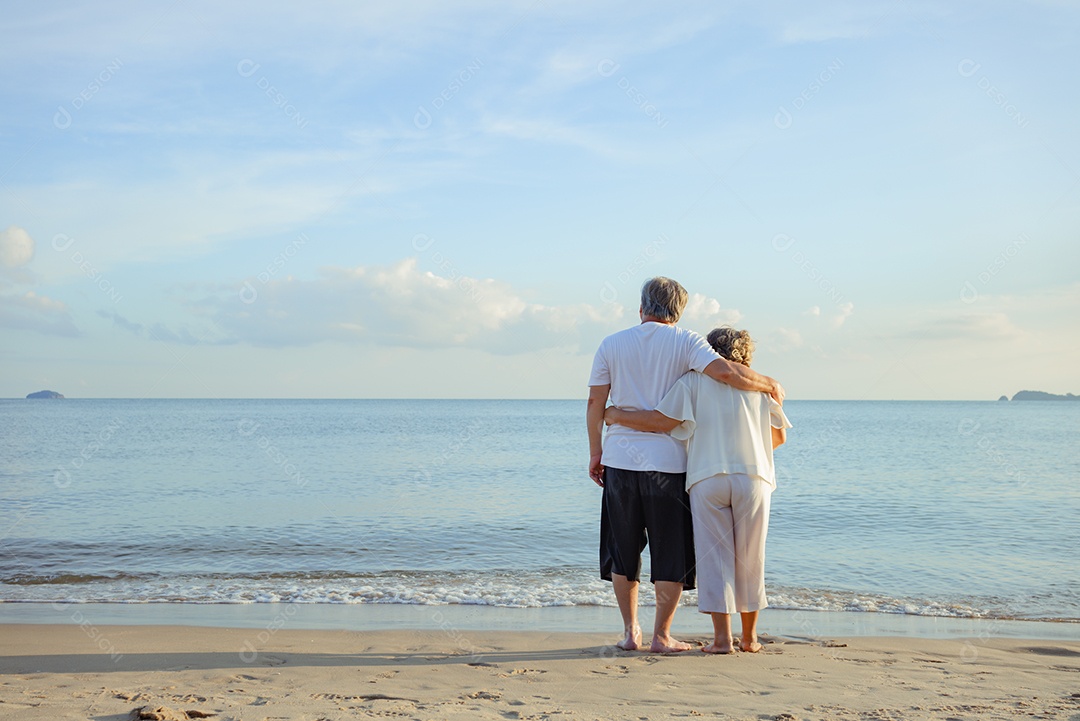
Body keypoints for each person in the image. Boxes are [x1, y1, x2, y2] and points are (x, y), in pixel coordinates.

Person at [587, 278, 784, 653]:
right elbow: (727, 374)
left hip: (619, 460)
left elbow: (596, 403)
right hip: (670, 464)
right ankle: (663, 635)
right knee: (670, 551)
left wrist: (596, 451)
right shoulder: (687, 341)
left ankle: (632, 633)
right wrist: (770, 383)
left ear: (642, 307)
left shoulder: (610, 344)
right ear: (678, 311)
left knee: (622, 548)